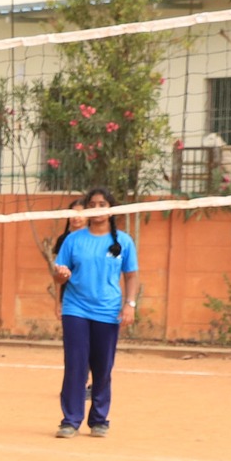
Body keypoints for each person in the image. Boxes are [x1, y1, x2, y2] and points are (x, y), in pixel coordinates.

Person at [49, 187, 138, 438]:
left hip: (108, 310)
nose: (97, 209)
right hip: (75, 308)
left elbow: (131, 276)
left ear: (111, 209)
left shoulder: (123, 241)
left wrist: (129, 304)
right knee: (75, 365)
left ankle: (99, 419)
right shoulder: (73, 240)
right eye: (93, 204)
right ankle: (70, 420)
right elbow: (58, 274)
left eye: (102, 204)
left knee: (102, 366)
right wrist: (60, 275)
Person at [52, 196, 87, 320]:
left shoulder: (98, 239)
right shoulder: (63, 240)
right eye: (73, 213)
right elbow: (56, 274)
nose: (76, 217)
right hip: (70, 299)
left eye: (80, 213)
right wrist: (58, 302)